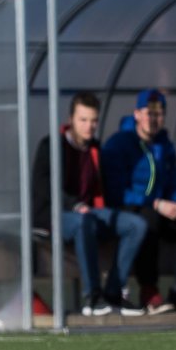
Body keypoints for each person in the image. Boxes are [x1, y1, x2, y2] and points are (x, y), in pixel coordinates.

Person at [32, 91, 146, 316]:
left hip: (90, 213)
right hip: (56, 215)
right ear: (71, 119)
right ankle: (92, 297)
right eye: (83, 120)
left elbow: (104, 189)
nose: (89, 126)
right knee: (85, 221)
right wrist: (75, 205)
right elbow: (44, 189)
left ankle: (113, 293)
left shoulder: (95, 149)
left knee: (137, 225)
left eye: (94, 120)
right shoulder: (51, 145)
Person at [100, 88, 176, 313]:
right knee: (146, 221)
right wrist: (156, 203)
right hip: (128, 206)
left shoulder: (165, 146)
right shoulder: (119, 143)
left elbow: (172, 186)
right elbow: (116, 191)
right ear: (137, 114)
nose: (153, 119)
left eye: (158, 114)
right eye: (148, 113)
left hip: (159, 206)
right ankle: (149, 290)